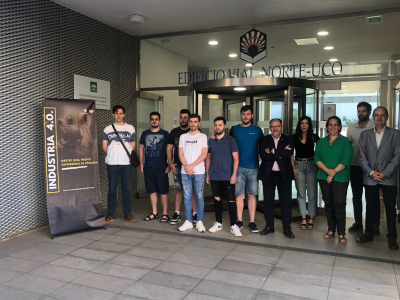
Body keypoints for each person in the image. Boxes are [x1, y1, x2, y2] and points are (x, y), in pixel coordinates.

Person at [357, 106, 400, 250]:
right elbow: (361, 157)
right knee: (370, 206)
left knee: (390, 208)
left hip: (388, 178)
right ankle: (368, 233)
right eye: (376, 115)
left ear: (387, 117)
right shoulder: (365, 135)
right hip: (370, 178)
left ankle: (392, 237)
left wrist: (385, 173)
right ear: (373, 117)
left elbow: (397, 157)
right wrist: (371, 172)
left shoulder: (396, 134)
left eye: (382, 115)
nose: (379, 118)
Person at [314, 116, 353, 244]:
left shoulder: (345, 141)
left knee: (339, 204)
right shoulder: (321, 142)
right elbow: (317, 158)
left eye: (335, 125)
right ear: (327, 127)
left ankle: (341, 232)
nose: (332, 127)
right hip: (323, 176)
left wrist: (333, 172)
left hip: (340, 177)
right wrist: (328, 171)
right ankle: (331, 229)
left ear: (340, 127)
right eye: (330, 124)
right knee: (328, 204)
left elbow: (346, 159)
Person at [229, 105, 264, 233]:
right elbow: (227, 144)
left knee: (252, 195)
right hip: (238, 167)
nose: (245, 116)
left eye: (248, 114)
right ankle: (239, 221)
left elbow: (264, 146)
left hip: (254, 167)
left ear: (252, 116)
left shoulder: (258, 130)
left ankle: (252, 222)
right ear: (240, 115)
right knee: (239, 195)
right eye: (243, 114)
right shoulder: (235, 130)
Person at [258, 118, 295, 239]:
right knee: (268, 201)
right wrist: (280, 153)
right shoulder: (264, 139)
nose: (275, 128)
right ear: (270, 128)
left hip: (283, 174)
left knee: (285, 202)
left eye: (277, 126)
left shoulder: (289, 139)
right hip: (268, 175)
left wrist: (272, 151)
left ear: (281, 127)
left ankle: (287, 228)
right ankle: (269, 226)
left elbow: (288, 154)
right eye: (273, 126)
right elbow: (263, 155)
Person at [206, 117, 241, 237]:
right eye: (215, 125)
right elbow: (208, 158)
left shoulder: (231, 140)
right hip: (215, 175)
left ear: (224, 126)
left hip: (228, 175)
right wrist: (207, 173)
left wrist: (234, 174)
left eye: (220, 125)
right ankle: (218, 223)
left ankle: (233, 225)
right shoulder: (211, 140)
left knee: (231, 200)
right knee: (217, 199)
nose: (217, 127)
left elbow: (236, 158)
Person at [346, 102, 378, 234]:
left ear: (369, 112)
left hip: (371, 168)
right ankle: (358, 222)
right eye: (359, 111)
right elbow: (348, 146)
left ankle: (375, 225)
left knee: (372, 197)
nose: (361, 113)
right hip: (355, 166)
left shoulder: (374, 127)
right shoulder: (351, 128)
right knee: (356, 195)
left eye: (364, 111)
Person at [102, 105, 136, 223]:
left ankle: (128, 213)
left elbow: (133, 145)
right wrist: (112, 154)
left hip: (126, 163)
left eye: (121, 113)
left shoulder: (130, 128)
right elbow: (104, 146)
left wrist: (123, 154)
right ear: (113, 115)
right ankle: (111, 214)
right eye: (116, 113)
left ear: (124, 115)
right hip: (112, 163)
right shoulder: (107, 129)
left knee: (126, 188)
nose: (119, 115)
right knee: (112, 189)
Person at [178, 114, 208, 232]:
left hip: (199, 172)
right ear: (188, 123)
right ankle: (188, 221)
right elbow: (180, 153)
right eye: (191, 121)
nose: (193, 124)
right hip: (185, 172)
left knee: (199, 197)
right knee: (187, 197)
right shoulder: (183, 137)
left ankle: (199, 221)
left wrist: (191, 166)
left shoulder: (203, 136)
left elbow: (204, 154)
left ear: (199, 123)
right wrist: (186, 167)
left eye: (195, 122)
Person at [167, 109, 197, 225]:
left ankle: (194, 214)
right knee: (179, 190)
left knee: (193, 191)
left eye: (185, 118)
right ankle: (177, 213)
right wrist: (171, 163)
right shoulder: (174, 132)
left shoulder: (195, 132)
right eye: (181, 117)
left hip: (192, 168)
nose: (183, 120)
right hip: (178, 167)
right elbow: (169, 148)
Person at [139, 112, 170, 222]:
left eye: (156, 119)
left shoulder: (165, 134)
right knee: (151, 191)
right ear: (150, 121)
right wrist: (141, 164)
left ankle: (165, 214)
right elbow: (141, 148)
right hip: (148, 167)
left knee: (163, 191)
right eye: (152, 119)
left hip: (162, 167)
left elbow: (169, 150)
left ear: (159, 121)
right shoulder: (145, 133)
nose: (154, 121)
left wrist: (169, 164)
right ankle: (155, 213)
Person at [291, 116, 320, 230]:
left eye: (306, 123)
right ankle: (303, 217)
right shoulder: (294, 137)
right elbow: (290, 154)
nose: (304, 125)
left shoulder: (314, 137)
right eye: (302, 123)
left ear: (309, 125)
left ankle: (311, 217)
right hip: (298, 166)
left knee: (312, 194)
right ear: (299, 125)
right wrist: (293, 168)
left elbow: (322, 149)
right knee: (301, 194)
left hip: (312, 165)